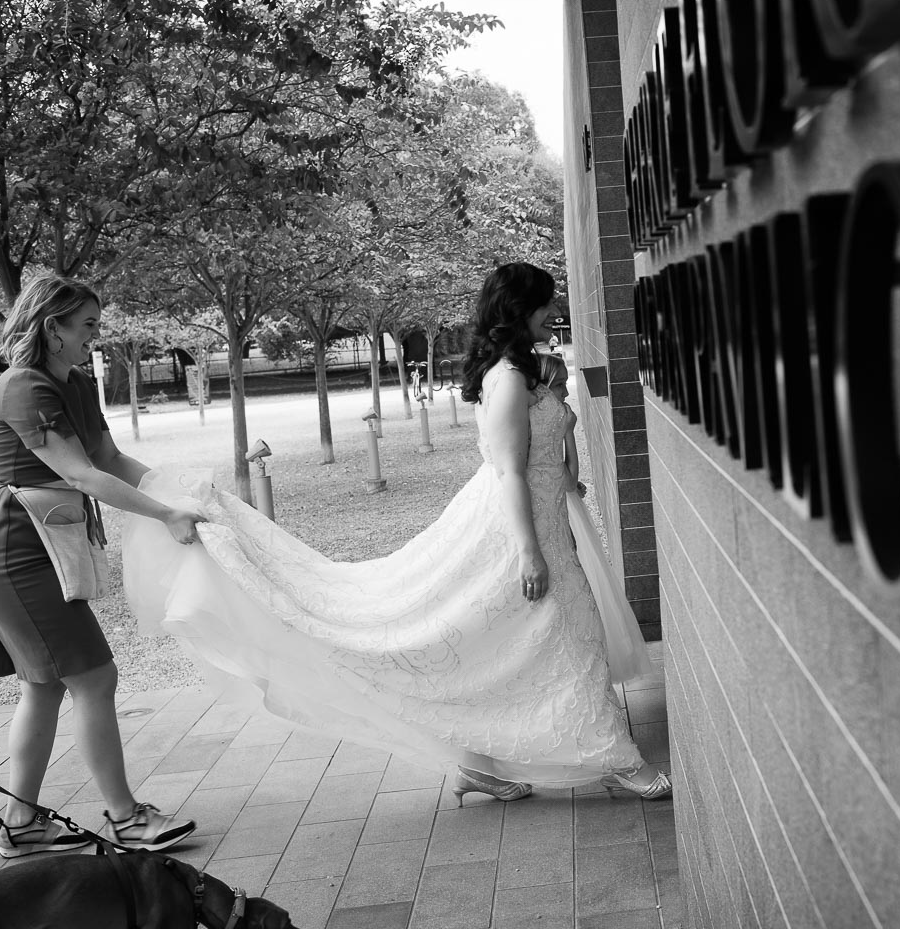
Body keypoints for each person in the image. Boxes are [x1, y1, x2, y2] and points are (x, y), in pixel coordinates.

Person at [120, 262, 671, 802]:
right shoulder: (506, 380)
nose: (556, 311)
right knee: (559, 631)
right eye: (548, 302)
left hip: (545, 515)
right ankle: (616, 759)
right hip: (513, 526)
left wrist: (564, 415)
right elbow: (509, 471)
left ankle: (476, 763)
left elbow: (560, 466)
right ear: (520, 310)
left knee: (507, 639)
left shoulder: (528, 373)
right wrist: (530, 550)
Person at [0, 273, 202, 858]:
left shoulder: (74, 383)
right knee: (94, 677)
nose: (94, 339)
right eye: (87, 327)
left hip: (39, 539)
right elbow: (80, 474)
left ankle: (20, 824)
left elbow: (106, 456)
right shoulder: (22, 387)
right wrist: (162, 514)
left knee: (46, 683)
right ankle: (126, 820)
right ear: (52, 329)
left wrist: (177, 498)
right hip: (16, 543)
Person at [537, 353, 653, 687]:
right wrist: (569, 431)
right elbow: (570, 479)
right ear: (544, 388)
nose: (566, 393)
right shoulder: (555, 422)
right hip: (565, 509)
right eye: (559, 386)